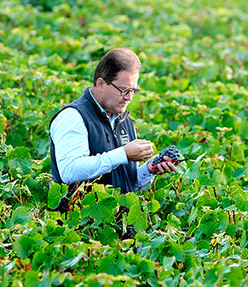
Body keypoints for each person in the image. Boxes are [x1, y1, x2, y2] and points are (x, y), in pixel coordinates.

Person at [48, 48, 176, 208]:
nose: (129, 97)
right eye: (124, 90)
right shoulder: (73, 117)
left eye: (133, 91)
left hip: (122, 227)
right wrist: (124, 154)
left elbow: (130, 185)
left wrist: (149, 170)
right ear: (101, 84)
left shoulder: (125, 121)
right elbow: (70, 171)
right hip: (85, 229)